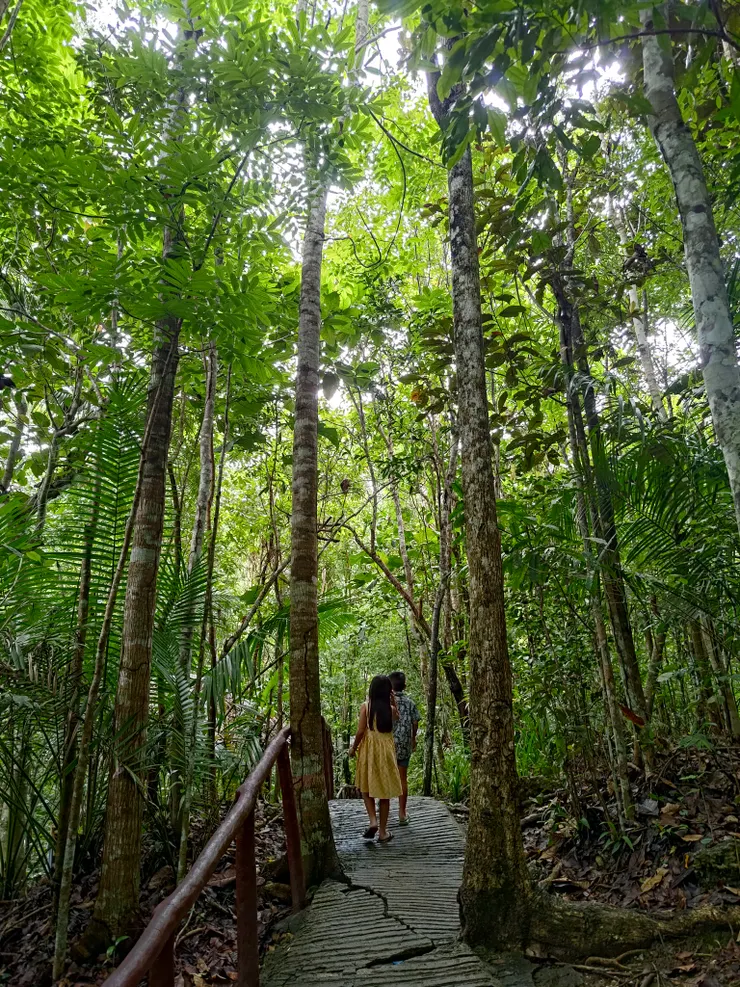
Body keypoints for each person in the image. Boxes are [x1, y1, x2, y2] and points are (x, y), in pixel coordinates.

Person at [349, 675, 403, 843]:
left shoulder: (366, 706)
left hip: (370, 749)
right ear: (388, 692)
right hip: (386, 751)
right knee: (384, 792)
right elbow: (397, 717)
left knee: (366, 787)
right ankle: (383, 832)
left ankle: (373, 820)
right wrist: (393, 702)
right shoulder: (391, 709)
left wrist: (353, 748)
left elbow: (359, 732)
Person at [389, 670, 420, 826]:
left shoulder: (386, 703)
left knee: (387, 777)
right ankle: (402, 813)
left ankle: (384, 814)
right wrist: (413, 739)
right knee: (402, 778)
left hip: (387, 745)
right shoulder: (410, 703)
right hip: (404, 743)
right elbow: (415, 722)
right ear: (405, 686)